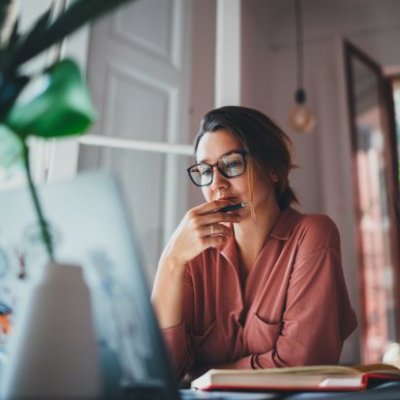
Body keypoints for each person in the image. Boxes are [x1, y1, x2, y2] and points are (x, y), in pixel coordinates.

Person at [151, 106, 357, 381]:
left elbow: (301, 366)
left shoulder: (312, 235)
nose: (218, 185)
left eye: (232, 164)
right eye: (205, 171)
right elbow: (160, 371)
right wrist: (171, 260)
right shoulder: (193, 255)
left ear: (272, 168)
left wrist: (202, 373)